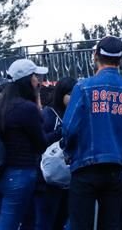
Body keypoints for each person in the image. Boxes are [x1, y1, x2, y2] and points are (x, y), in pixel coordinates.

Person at [63, 37, 122, 230]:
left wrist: (68, 151)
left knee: (81, 224)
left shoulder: (83, 87)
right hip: (115, 167)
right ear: (121, 60)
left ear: (96, 56)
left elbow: (69, 127)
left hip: (84, 165)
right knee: (111, 223)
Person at [0, 59, 54, 230]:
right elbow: (41, 144)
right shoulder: (26, 109)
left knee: (0, 222)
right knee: (8, 224)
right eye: (35, 76)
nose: (38, 80)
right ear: (27, 80)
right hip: (19, 172)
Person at [36, 78, 75, 230]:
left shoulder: (75, 113)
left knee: (61, 220)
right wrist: (61, 133)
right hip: (49, 177)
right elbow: (41, 140)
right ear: (61, 94)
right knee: (46, 221)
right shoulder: (49, 114)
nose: (74, 98)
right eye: (70, 94)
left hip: (68, 177)